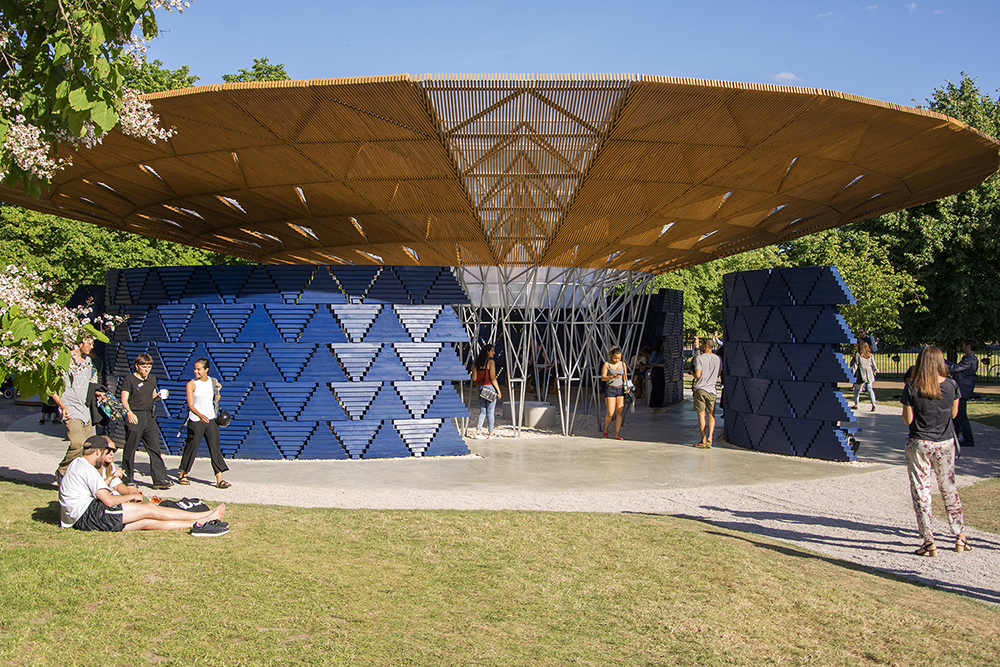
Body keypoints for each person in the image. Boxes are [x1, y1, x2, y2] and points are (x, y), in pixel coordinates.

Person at [59, 435, 229, 535]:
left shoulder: (76, 463)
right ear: (97, 452)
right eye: (105, 453)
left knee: (146, 522)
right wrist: (131, 496)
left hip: (79, 520)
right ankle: (205, 516)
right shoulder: (87, 469)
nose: (106, 456)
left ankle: (196, 524)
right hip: (91, 514)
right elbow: (109, 501)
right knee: (150, 509)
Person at [900, 346, 969, 557]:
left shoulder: (912, 387)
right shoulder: (951, 385)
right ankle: (960, 535)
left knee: (921, 490)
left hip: (920, 442)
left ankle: (929, 540)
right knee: (948, 488)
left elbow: (908, 420)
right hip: (944, 442)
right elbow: (954, 414)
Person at [51, 337, 104, 482]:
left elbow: (90, 384)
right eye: (89, 343)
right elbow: (51, 388)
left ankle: (80, 478)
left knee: (89, 447)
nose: (91, 346)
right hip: (70, 407)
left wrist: (98, 393)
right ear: (79, 344)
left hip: (85, 409)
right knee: (78, 443)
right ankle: (62, 470)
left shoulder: (88, 363)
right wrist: (62, 406)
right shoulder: (64, 361)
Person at [120, 353, 172, 490]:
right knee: (131, 448)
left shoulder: (152, 379)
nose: (146, 369)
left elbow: (152, 395)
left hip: (149, 416)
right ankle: (127, 478)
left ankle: (159, 479)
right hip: (135, 415)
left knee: (154, 447)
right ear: (137, 366)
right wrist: (129, 413)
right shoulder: (129, 380)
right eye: (144, 366)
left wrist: (159, 396)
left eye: (149, 366)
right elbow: (124, 400)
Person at [178, 358, 230, 488]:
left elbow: (215, 399)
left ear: (206, 369)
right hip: (196, 420)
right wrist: (200, 415)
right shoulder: (191, 384)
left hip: (211, 419)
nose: (196, 371)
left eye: (199, 369)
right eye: (195, 369)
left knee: (215, 448)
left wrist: (219, 391)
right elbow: (190, 405)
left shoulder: (213, 381)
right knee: (192, 447)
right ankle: (182, 473)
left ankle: (219, 479)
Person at [946, 338, 979, 448]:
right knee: (956, 416)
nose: (962, 347)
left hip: (963, 390)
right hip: (961, 390)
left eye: (963, 345)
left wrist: (942, 361)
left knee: (961, 416)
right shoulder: (968, 359)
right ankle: (956, 436)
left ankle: (968, 439)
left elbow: (955, 368)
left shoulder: (970, 360)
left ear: (969, 346)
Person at [690, 338, 721, 448]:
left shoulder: (700, 358)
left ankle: (703, 439)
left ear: (706, 346)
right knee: (711, 414)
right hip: (712, 389)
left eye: (702, 344)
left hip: (701, 388)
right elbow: (718, 374)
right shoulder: (717, 359)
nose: (701, 346)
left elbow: (698, 375)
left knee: (701, 415)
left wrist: (693, 374)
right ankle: (710, 437)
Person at [600, 346, 630, 440]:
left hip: (620, 389)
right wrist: (612, 377)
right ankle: (606, 428)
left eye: (619, 358)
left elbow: (625, 377)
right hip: (611, 389)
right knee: (610, 412)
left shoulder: (623, 364)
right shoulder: (607, 364)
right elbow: (603, 377)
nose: (617, 360)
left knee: (619, 411)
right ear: (611, 356)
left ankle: (617, 434)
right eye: (615, 358)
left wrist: (627, 386)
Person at [472, 345, 501, 439]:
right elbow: (493, 378)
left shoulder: (477, 363)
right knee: (490, 411)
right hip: (489, 388)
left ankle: (478, 431)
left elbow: (474, 378)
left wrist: (473, 370)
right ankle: (490, 433)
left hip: (479, 388)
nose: (494, 353)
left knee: (483, 410)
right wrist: (498, 391)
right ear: (487, 351)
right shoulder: (491, 362)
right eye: (492, 351)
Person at [850, 339, 879, 411]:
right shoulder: (870, 355)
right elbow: (873, 364)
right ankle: (873, 404)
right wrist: (875, 371)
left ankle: (856, 404)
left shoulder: (858, 355)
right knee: (870, 389)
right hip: (869, 374)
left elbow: (856, 365)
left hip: (861, 373)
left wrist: (852, 373)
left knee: (857, 389)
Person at [648, 337, 666, 413]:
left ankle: (659, 405)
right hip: (656, 370)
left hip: (661, 371)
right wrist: (660, 365)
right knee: (655, 387)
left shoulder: (661, 352)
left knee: (661, 388)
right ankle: (653, 405)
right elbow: (651, 362)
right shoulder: (655, 352)